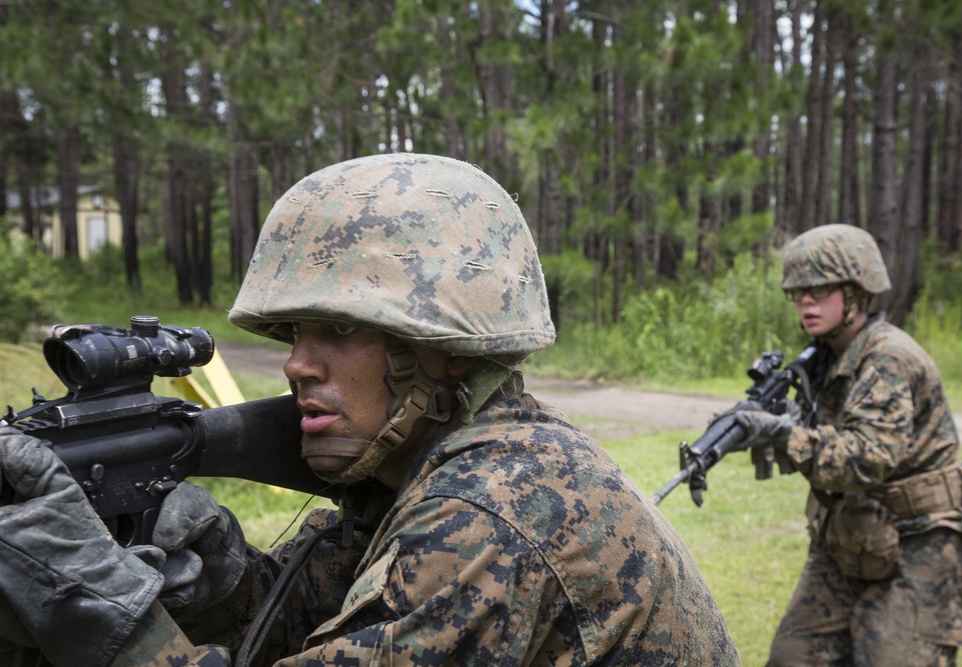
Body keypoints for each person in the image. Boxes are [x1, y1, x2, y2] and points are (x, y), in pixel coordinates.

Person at [0, 153, 741, 666]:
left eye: (342, 329)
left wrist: (99, 606)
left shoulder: (486, 517)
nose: (296, 362)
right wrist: (224, 577)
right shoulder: (438, 462)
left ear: (446, 347)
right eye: (295, 332)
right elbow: (317, 625)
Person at [729, 224, 962, 666]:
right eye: (798, 291)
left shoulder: (889, 357)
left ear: (857, 294)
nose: (806, 301)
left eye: (819, 290)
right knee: (791, 657)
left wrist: (784, 434)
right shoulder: (825, 355)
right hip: (849, 540)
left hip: (917, 547)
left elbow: (867, 457)